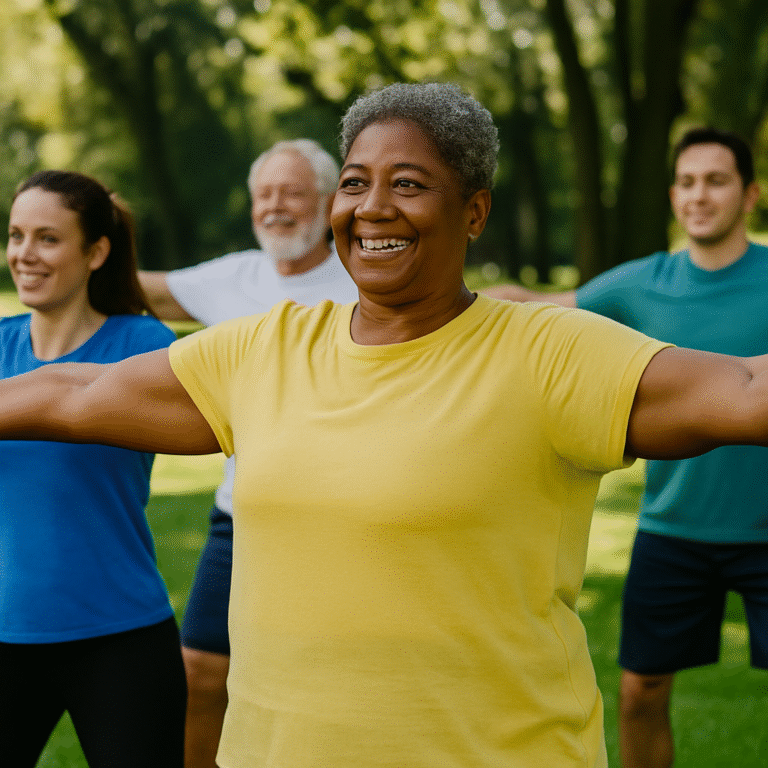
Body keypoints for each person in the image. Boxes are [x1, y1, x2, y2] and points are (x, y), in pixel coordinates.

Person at [2, 84, 768, 768]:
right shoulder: (268, 349)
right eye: (354, 183)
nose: (372, 207)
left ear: (474, 210)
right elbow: (76, 393)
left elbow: (744, 385)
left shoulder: (548, 354)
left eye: (409, 184)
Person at [484, 126, 768, 768]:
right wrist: (461, 302)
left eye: (716, 181)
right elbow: (540, 310)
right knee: (640, 692)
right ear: (673, 195)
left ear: (748, 195)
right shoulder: (641, 284)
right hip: (674, 530)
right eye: (688, 183)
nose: (700, 196)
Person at [138, 138, 357, 768]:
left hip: (341, 519)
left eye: (291, 192)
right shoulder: (232, 277)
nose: (275, 207)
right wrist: (92, 226)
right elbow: (137, 289)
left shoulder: (359, 279)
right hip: (244, 516)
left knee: (326, 681)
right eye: (264, 193)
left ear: (324, 201)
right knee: (202, 667)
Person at [0, 170, 185, 767]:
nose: (25, 254)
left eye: (48, 239)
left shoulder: (145, 347)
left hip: (121, 638)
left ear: (97, 251)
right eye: (16, 235)